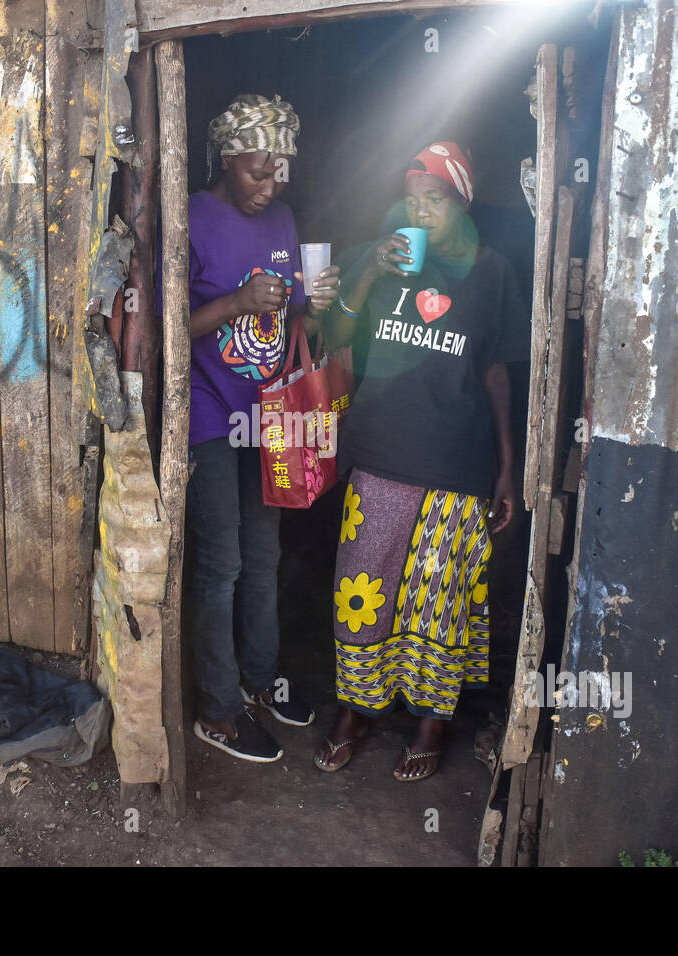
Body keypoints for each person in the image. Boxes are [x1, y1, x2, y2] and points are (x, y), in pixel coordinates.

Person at [312, 141, 527, 781]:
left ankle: (433, 723)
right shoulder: (384, 265)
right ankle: (357, 709)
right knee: (362, 587)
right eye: (413, 199)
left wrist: (507, 468)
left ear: (460, 203)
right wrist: (373, 270)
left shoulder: (492, 274)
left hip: (457, 468)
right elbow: (338, 333)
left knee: (442, 599)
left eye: (435, 199)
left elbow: (495, 375)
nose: (422, 210)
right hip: (379, 456)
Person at [179, 93, 340, 763]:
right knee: (222, 564)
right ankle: (216, 712)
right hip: (212, 413)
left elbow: (290, 313)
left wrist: (316, 300)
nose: (267, 187)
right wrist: (238, 302)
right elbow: (166, 330)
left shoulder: (283, 218)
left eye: (278, 174)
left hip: (271, 414)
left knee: (266, 554)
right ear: (226, 158)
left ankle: (260, 680)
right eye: (256, 172)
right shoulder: (192, 215)